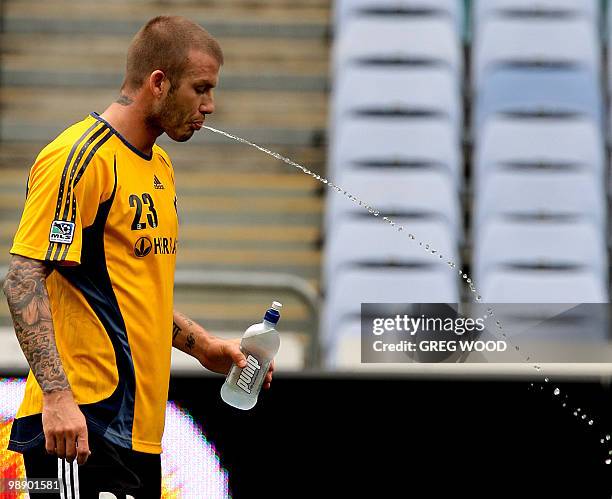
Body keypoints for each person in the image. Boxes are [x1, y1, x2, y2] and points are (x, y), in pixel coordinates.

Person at [2, 15, 274, 498]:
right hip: (78, 428)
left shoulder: (160, 166)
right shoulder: (79, 158)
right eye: (202, 89)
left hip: (136, 434)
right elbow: (22, 277)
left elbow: (126, 296)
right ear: (158, 83)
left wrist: (203, 346)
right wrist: (59, 399)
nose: (210, 106)